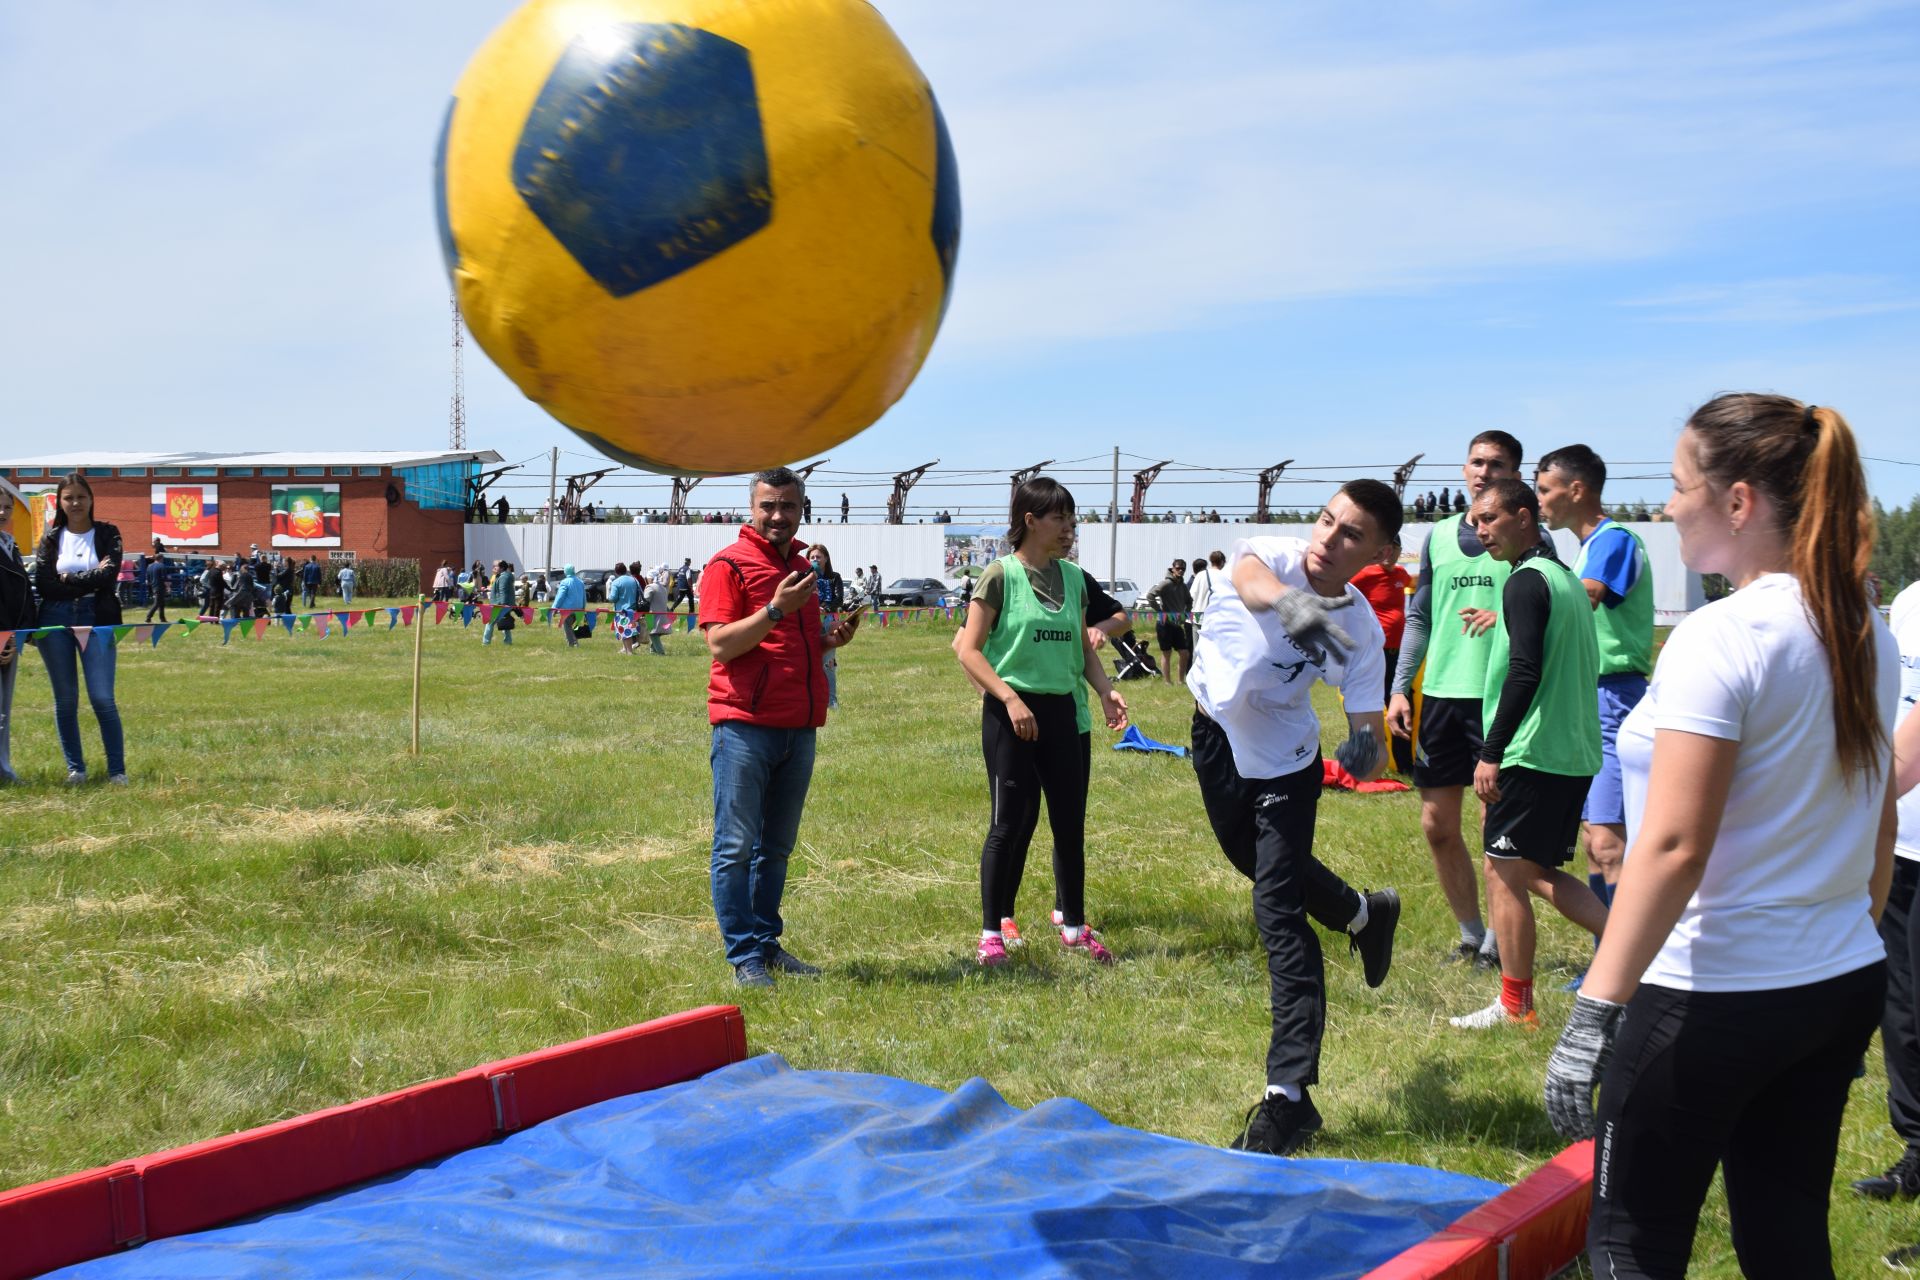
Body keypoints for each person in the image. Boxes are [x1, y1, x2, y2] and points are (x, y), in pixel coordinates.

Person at [1540, 395, 1899, 1279]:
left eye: (1676, 487)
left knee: (1629, 1243)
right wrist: (1837, 938)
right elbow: (1878, 815)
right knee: (1785, 1237)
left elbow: (1671, 847)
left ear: (1738, 502)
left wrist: (1595, 1009)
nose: (1666, 509)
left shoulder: (1722, 634)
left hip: (1716, 989)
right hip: (1837, 979)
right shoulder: (1862, 626)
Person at [1187, 480, 1405, 1155]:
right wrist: (1296, 607)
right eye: (1325, 521)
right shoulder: (1277, 559)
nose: (1327, 540)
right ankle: (1365, 913)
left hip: (1286, 763)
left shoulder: (1361, 632)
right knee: (1253, 864)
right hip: (1216, 736)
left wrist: (1363, 751)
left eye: (1349, 535)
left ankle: (1289, 1097)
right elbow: (1249, 579)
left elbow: (1370, 735)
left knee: (1276, 907)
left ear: (1381, 552)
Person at [1447, 480, 1607, 1029]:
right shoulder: (1563, 578)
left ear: (1523, 517)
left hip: (1534, 751)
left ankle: (1516, 1007)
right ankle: (1634, 949)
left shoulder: (1525, 581)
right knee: (1527, 869)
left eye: (1489, 519)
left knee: (1505, 871)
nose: (1480, 531)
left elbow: (1524, 671)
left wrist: (1491, 752)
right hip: (1573, 751)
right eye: (1475, 522)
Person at [954, 478, 1129, 968]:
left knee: (1070, 825)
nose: (1069, 529)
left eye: (1072, 521)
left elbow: (1080, 648)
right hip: (1011, 713)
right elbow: (967, 650)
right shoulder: (999, 575)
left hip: (1061, 716)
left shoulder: (1073, 578)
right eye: (1060, 519)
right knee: (1007, 824)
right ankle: (992, 931)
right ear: (1030, 520)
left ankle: (1073, 926)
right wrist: (1009, 699)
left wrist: (1105, 690)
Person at [700, 467, 863, 987]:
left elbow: (794, 645)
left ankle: (767, 945)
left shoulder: (800, 567)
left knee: (775, 848)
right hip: (744, 727)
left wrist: (831, 639)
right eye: (768, 505)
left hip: (799, 727)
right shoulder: (729, 566)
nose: (777, 515)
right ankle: (744, 956)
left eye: (787, 506)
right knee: (735, 847)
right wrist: (775, 608)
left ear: (801, 509)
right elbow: (722, 644)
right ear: (751, 508)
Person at [1387, 430, 1527, 968]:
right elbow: (1419, 616)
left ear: (1515, 474)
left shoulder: (1528, 537)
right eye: (1476, 461)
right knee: (1437, 826)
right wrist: (1401, 687)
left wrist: (1506, 618)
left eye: (1496, 464)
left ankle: (1497, 942)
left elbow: (1548, 605)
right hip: (1440, 697)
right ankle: (1470, 935)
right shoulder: (1440, 537)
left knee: (1498, 830)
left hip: (1499, 697)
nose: (1484, 471)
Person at [1535, 444, 1653, 940]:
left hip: (1614, 700)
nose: (1539, 500)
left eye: (1545, 489)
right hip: (1590, 699)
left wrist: (1521, 609)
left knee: (1608, 841)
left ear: (1576, 489)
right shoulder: (1587, 546)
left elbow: (1584, 596)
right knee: (1595, 837)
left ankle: (1627, 958)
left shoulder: (1613, 540)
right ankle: (1610, 955)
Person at [1875, 578, 1920, 1268]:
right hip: (1901, 844)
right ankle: (1917, 1152)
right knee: (1902, 1012)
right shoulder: (1908, 602)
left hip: (1886, 807)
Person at [31, 473, 128, 785]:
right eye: (68, 498)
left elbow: (109, 575)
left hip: (96, 616)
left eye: (81, 497)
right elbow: (44, 585)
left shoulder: (108, 533)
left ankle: (117, 772)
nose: (75, 503)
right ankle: (77, 769)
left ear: (91, 499)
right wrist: (88, 576)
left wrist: (68, 580)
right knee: (66, 699)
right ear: (59, 502)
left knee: (102, 698)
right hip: (54, 618)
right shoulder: (50, 538)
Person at [1349, 539, 1413, 770]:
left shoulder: (1401, 574)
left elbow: (1413, 583)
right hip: (1375, 653)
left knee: (1404, 704)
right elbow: (1341, 589)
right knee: (1368, 705)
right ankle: (1366, 761)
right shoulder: (1366, 575)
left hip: (1399, 653)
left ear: (1398, 551)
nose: (1388, 555)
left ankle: (1406, 765)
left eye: (1393, 550)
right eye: (1383, 550)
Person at [0, 481, 37, 784]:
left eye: (8, 507)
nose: (3, 511)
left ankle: (4, 767)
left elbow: (22, 592)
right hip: (2, 637)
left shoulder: (10, 545)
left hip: (10, 638)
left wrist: (22, 633)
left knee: (4, 711)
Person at [806, 543, 848, 708]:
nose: (815, 559)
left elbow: (839, 599)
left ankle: (831, 701)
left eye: (818, 556)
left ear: (826, 559)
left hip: (829, 620)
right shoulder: (805, 576)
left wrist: (825, 607)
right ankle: (811, 699)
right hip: (810, 619)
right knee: (808, 661)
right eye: (812, 557)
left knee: (828, 662)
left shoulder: (834, 577)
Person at [1145, 559, 1194, 684]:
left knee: (1184, 653)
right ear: (1173, 569)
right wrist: (1160, 611)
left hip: (1177, 624)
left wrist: (1185, 614)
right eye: (1178, 568)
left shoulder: (1183, 586)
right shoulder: (1166, 583)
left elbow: (1189, 601)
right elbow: (1150, 596)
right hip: (1164, 624)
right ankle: (1167, 682)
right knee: (1167, 653)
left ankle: (1180, 681)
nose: (1181, 571)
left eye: (1183, 569)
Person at [608, 562, 641, 655]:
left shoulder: (616, 582)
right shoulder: (634, 580)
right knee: (627, 632)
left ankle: (629, 652)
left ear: (616, 572)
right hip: (633, 610)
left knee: (625, 633)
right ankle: (626, 651)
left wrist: (609, 597)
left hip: (622, 611)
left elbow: (613, 598)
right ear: (625, 570)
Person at [483, 559, 518, 645]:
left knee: (490, 622)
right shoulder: (503, 576)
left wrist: (502, 605)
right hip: (504, 604)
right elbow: (500, 589)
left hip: (500, 604)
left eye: (496, 566)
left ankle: (486, 643)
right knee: (505, 623)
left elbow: (503, 591)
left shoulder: (503, 577)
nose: (493, 568)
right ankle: (508, 641)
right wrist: (489, 589)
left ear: (501, 568)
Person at [552, 565, 588, 647]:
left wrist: (554, 608)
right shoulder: (580, 582)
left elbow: (560, 597)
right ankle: (575, 642)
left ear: (566, 572)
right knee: (572, 626)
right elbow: (584, 597)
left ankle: (572, 644)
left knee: (567, 627)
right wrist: (583, 608)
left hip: (567, 610)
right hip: (579, 609)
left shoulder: (565, 582)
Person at [1190, 550, 1223, 635]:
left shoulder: (1200, 575)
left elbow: (1191, 596)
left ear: (1211, 561)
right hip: (1216, 618)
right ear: (1222, 562)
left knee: (1197, 647)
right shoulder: (1224, 576)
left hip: (1198, 617)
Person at [644, 569, 672, 655]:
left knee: (653, 634)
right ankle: (653, 652)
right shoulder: (663, 587)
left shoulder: (651, 587)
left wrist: (645, 588)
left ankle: (661, 652)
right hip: (663, 615)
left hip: (654, 615)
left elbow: (646, 598)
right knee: (655, 634)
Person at [143, 553, 169, 623]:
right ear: (161, 558)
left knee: (162, 603)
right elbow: (164, 578)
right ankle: (148, 617)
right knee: (157, 603)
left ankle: (162, 618)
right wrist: (168, 587)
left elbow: (147, 579)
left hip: (153, 586)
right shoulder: (162, 566)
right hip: (160, 586)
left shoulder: (149, 566)